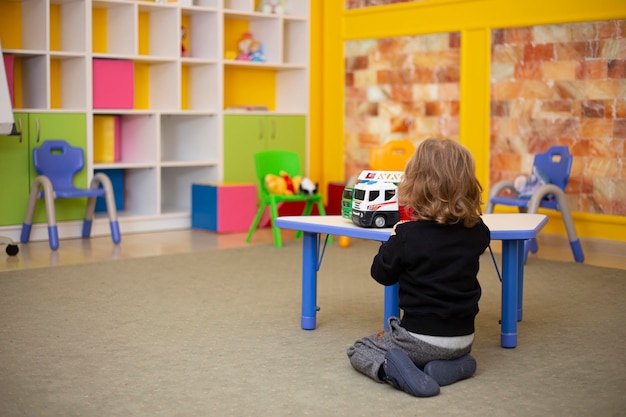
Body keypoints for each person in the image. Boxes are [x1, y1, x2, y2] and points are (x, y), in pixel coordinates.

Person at [347, 138, 491, 398]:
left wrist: (394, 237)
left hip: (418, 339)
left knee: (360, 348)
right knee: (441, 351)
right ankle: (454, 366)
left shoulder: (407, 236)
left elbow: (381, 273)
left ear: (416, 185)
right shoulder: (478, 231)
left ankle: (392, 371)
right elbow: (473, 239)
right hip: (463, 339)